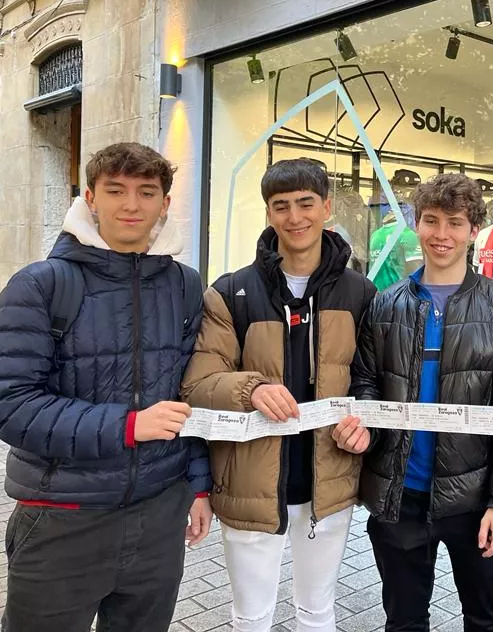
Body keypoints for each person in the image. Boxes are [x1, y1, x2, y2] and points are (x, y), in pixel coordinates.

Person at [0, 142, 212, 632]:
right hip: (63, 516)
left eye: (146, 192)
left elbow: (189, 393)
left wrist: (198, 486)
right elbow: (11, 403)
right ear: (90, 198)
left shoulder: (184, 284)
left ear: (164, 202)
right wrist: (129, 425)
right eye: (115, 191)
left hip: (160, 513)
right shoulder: (40, 285)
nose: (131, 205)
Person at [181, 158, 376, 632]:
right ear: (268, 212)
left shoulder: (361, 293)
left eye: (306, 203)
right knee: (250, 617)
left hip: (328, 484)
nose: (295, 217)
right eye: (281, 206)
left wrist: (365, 427)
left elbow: (373, 381)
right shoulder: (230, 292)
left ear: (327, 207)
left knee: (317, 612)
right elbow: (198, 382)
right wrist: (252, 387)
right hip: (248, 483)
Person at [336, 173, 493, 632]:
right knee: (404, 621)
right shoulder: (386, 305)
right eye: (431, 220)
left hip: (476, 498)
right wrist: (365, 424)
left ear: (472, 230)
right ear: (416, 225)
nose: (441, 234)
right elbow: (366, 381)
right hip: (399, 495)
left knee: (485, 620)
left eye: (455, 222)